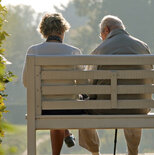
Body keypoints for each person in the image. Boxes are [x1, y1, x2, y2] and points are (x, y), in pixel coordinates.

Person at [22, 13, 100, 155]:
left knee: (54, 107)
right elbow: (84, 87)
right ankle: (89, 147)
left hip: (43, 109)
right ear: (62, 30)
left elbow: (27, 82)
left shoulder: (33, 51)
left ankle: (63, 140)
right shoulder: (73, 51)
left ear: (43, 31)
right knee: (70, 103)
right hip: (70, 109)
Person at [83, 15, 153, 155]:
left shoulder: (100, 50)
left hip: (105, 109)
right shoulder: (142, 46)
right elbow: (149, 81)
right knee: (135, 101)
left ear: (106, 30)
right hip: (138, 108)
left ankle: (95, 152)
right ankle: (133, 152)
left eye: (101, 35)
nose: (102, 38)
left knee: (82, 108)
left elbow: (88, 87)